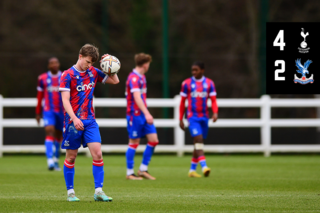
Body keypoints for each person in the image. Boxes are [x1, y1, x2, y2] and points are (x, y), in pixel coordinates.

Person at [59, 44, 119, 202]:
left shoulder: (92, 71)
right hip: (72, 121)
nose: (89, 65)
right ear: (80, 56)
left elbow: (115, 81)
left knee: (98, 154)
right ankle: (70, 192)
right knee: (71, 157)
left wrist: (110, 65)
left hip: (90, 121)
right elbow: (65, 101)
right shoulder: (67, 75)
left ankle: (98, 191)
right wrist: (75, 118)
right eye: (87, 62)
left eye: (92, 63)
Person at [179, 61, 218, 178]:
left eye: (196, 70)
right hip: (192, 117)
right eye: (192, 70)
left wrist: (215, 112)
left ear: (202, 70)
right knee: (199, 139)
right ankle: (204, 166)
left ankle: (192, 170)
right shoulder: (186, 83)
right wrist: (180, 118)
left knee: (197, 143)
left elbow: (214, 100)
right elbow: (182, 102)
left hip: (204, 117)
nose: (194, 72)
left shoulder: (209, 83)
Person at [125, 53, 159, 180]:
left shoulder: (142, 77)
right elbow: (137, 97)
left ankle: (143, 169)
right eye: (148, 64)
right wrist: (147, 113)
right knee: (134, 142)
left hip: (143, 116)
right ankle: (129, 173)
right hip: (135, 115)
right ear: (145, 64)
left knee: (154, 140)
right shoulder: (133, 78)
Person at [36, 57, 63, 171]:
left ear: (59, 64)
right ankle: (50, 161)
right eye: (51, 63)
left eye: (56, 62)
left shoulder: (65, 77)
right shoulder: (42, 78)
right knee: (49, 131)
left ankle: (56, 159)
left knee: (59, 136)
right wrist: (37, 113)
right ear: (48, 66)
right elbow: (39, 96)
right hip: (48, 110)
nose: (54, 65)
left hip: (62, 111)